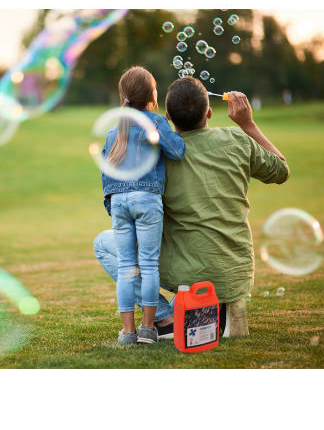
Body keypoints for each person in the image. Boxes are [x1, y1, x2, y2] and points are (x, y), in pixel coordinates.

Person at [94, 77, 289, 340]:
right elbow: (281, 170)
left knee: (105, 243)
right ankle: (223, 302)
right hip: (235, 269)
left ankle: (165, 318)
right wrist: (247, 124)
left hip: (186, 270)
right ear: (208, 112)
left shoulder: (160, 157)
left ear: (167, 115)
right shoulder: (237, 140)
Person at [100, 66, 185, 346]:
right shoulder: (156, 122)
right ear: (152, 95)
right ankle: (148, 328)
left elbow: (106, 173)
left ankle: (127, 333)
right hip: (148, 201)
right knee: (148, 265)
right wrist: (167, 125)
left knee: (126, 267)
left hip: (120, 203)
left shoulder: (114, 131)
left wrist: (114, 208)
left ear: (123, 96)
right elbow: (178, 151)